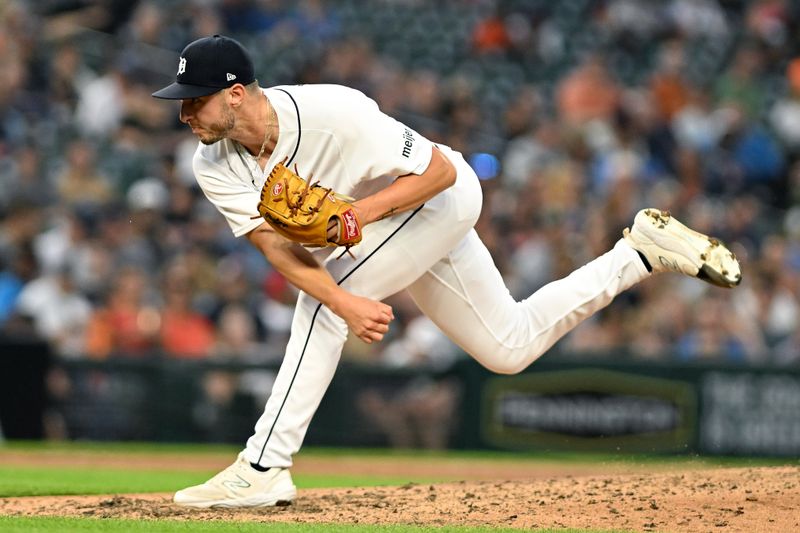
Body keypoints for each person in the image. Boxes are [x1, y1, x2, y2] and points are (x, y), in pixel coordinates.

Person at [152, 35, 741, 508]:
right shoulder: (212, 163)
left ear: (234, 94)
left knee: (322, 307)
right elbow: (277, 250)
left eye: (193, 99)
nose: (184, 113)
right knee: (506, 348)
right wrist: (346, 295)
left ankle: (263, 467)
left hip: (440, 201)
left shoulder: (333, 111)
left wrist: (357, 222)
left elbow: (439, 172)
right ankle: (638, 253)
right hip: (395, 230)